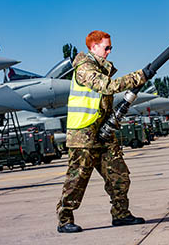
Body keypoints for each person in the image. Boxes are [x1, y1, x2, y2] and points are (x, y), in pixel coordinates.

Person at [56, 30, 155, 233]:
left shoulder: (100, 68)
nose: (109, 51)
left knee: (120, 175)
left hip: (102, 131)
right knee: (77, 179)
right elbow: (106, 87)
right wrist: (138, 77)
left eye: (111, 48)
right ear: (93, 47)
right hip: (83, 133)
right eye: (106, 47)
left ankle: (121, 214)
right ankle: (64, 220)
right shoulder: (84, 68)